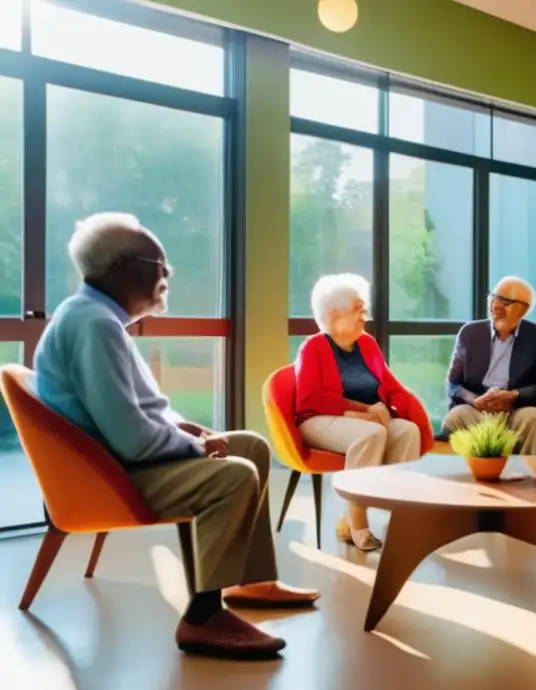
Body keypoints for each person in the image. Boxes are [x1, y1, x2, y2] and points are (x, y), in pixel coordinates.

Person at [33, 213, 319, 660]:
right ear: (122, 266)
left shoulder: (92, 316)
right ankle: (203, 617)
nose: (167, 274)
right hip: (115, 478)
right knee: (235, 474)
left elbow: (129, 414)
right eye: (158, 263)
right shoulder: (95, 326)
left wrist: (181, 429)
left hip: (121, 462)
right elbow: (129, 438)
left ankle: (249, 578)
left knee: (249, 446)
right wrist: (194, 447)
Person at [294, 273, 431, 552]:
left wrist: (399, 413)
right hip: (317, 420)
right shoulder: (314, 347)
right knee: (371, 433)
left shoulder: (366, 343)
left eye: (363, 308)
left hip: (368, 419)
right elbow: (311, 398)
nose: (364, 315)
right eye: (357, 309)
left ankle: (400, 516)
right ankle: (356, 520)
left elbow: (391, 387)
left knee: (407, 431)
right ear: (333, 316)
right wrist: (364, 409)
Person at [442, 276, 536, 456]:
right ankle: (461, 479)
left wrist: (513, 395)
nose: (495, 306)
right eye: (493, 298)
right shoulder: (469, 333)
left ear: (523, 309)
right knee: (457, 416)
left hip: (514, 410)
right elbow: (453, 384)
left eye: (505, 302)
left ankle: (527, 477)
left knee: (534, 417)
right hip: (475, 408)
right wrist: (474, 400)